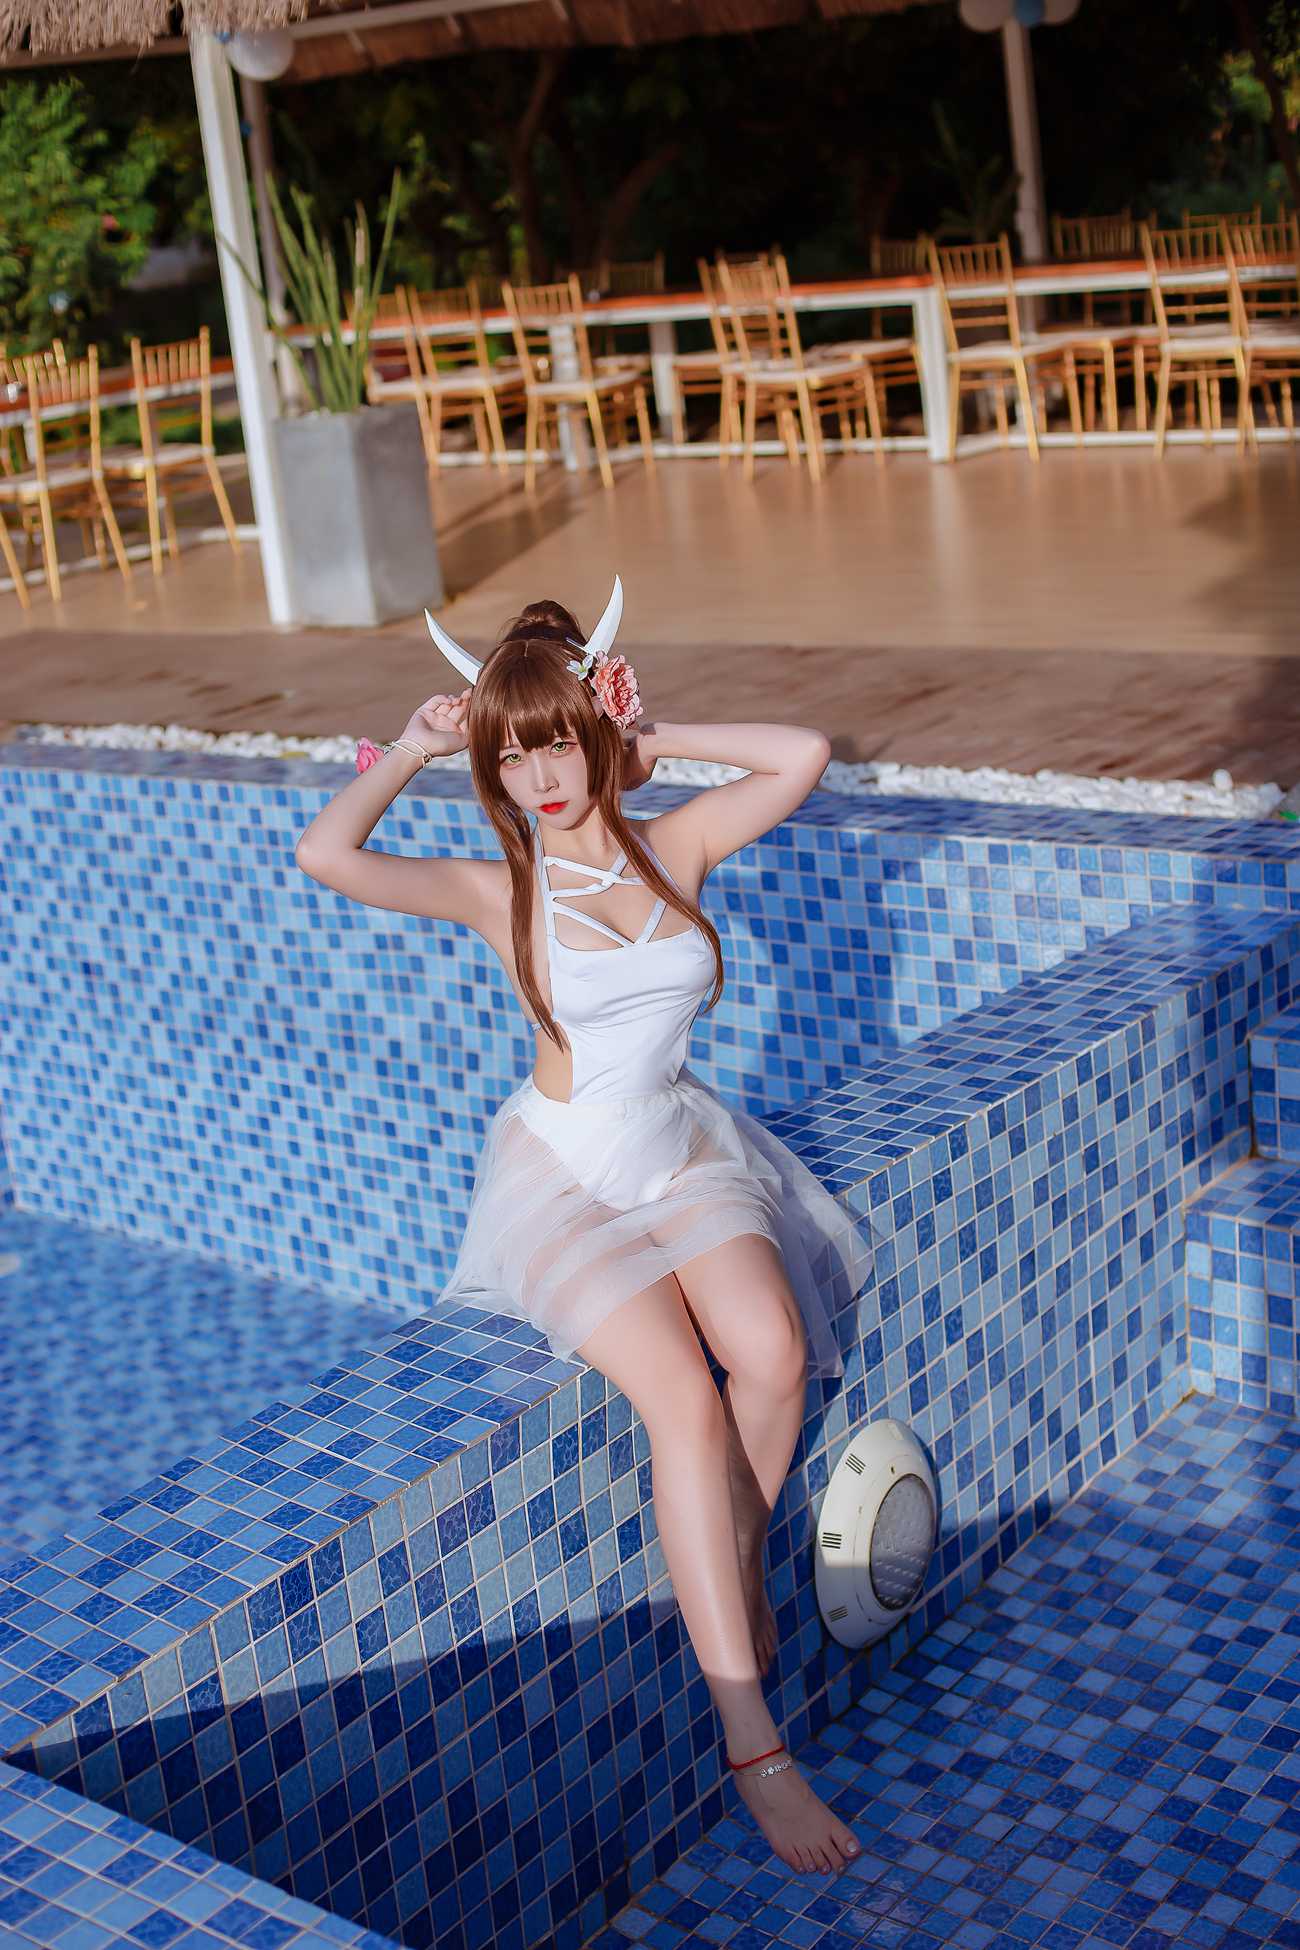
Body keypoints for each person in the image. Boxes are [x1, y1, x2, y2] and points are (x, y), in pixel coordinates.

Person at [295, 579, 882, 1878]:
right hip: (561, 1174)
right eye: (512, 758)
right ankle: (754, 1746)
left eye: (555, 743)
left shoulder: (677, 845)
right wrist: (413, 748)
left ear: (595, 732)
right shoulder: (498, 887)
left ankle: (731, 1554)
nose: (539, 778)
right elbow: (325, 857)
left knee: (774, 1350)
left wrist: (649, 739)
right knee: (683, 1399)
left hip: (676, 1148)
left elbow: (804, 753)